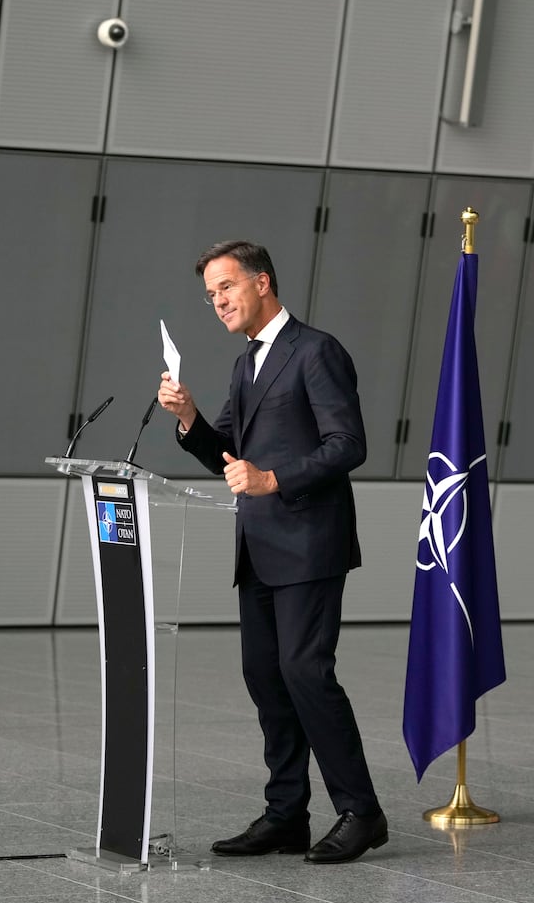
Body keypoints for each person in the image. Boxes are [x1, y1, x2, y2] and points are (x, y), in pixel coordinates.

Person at [157, 239, 387, 864]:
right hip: (259, 546)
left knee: (306, 673)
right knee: (266, 677)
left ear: (262, 282)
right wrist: (189, 417)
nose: (218, 302)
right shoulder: (245, 365)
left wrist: (272, 480)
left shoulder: (316, 351)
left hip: (310, 542)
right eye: (210, 295)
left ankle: (361, 813)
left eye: (225, 287)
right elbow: (226, 454)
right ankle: (287, 814)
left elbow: (349, 444)